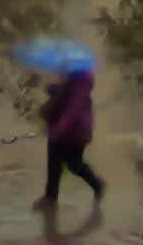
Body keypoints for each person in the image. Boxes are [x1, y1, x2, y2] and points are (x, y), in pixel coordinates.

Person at [36, 63, 104, 210]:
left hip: (74, 134)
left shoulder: (80, 86)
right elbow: (60, 100)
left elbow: (73, 112)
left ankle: (97, 184)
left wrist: (59, 128)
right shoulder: (69, 83)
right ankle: (50, 198)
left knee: (74, 164)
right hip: (59, 132)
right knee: (53, 165)